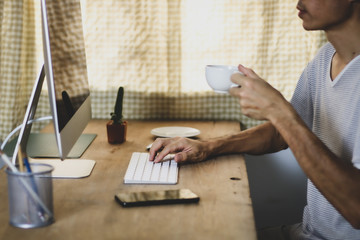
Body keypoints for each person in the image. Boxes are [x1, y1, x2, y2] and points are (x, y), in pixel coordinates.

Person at [149, 0, 360, 239]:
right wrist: (209, 146)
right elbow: (281, 132)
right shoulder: (324, 59)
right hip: (307, 232)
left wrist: (279, 110)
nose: (298, 1)